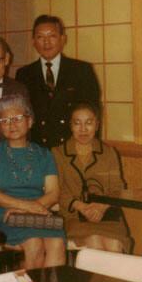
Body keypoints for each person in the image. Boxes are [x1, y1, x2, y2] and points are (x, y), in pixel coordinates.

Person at [0, 94, 66, 269]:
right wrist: (26, 208)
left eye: (17, 118)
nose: (11, 124)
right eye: (4, 120)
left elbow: (53, 193)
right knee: (34, 243)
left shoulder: (44, 154)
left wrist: (27, 209)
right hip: (6, 217)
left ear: (30, 121)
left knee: (56, 243)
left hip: (39, 214)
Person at [53, 102, 131, 252]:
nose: (83, 129)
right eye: (77, 123)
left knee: (114, 245)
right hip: (74, 217)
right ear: (71, 126)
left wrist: (101, 207)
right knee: (94, 242)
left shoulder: (109, 152)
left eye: (89, 123)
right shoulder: (58, 153)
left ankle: (111, 277)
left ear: (97, 125)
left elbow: (118, 187)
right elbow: (57, 190)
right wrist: (82, 207)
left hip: (108, 217)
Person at [15, 15, 100, 149]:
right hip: (37, 150)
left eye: (52, 36)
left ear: (62, 39)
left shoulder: (81, 70)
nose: (46, 42)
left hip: (72, 149)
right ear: (33, 41)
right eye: (40, 37)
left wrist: (91, 149)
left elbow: (93, 113)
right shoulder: (24, 74)